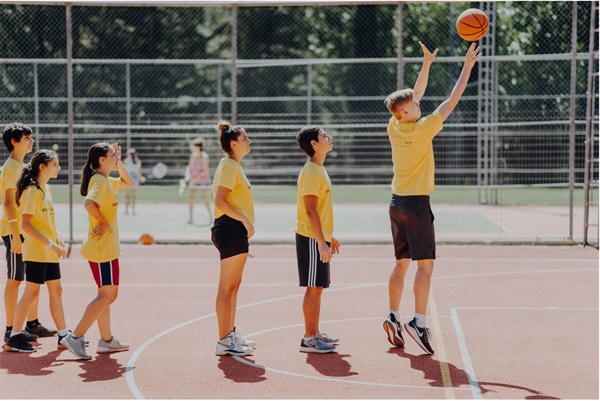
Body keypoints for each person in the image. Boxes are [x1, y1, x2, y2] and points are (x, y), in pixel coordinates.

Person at [382, 42, 481, 355]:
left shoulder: (394, 125)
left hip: (396, 204)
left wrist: (427, 64)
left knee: (400, 264)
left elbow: (414, 95)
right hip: (416, 205)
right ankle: (419, 322)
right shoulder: (424, 128)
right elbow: (453, 98)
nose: (417, 102)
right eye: (412, 103)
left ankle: (393, 316)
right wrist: (467, 65)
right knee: (425, 267)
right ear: (406, 111)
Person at [60, 142, 134, 360]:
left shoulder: (107, 180)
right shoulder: (100, 182)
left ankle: (106, 340)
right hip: (102, 249)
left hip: (105, 248)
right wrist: (104, 222)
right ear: (102, 159)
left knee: (105, 296)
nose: (116, 157)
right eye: (112, 155)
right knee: (108, 295)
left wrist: (119, 161)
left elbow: (129, 181)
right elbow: (89, 203)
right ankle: (76, 337)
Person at [4, 150, 69, 352]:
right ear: (43, 166)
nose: (59, 168)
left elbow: (45, 221)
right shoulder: (31, 191)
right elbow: (26, 225)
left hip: (49, 250)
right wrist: (52, 244)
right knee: (31, 293)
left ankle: (64, 335)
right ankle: (14, 336)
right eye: (55, 164)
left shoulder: (46, 189)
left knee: (57, 291)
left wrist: (58, 236)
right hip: (37, 250)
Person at [1, 123, 56, 346]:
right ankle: (9, 329)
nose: (31, 141)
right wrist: (15, 235)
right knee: (15, 279)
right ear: (14, 142)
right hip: (15, 231)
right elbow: (8, 202)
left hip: (22, 231)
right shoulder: (13, 168)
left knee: (33, 277)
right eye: (26, 138)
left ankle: (31, 323)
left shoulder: (20, 166)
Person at [211, 121, 256, 357]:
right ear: (233, 143)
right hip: (230, 229)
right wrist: (246, 221)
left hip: (233, 230)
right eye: (245, 138)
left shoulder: (231, 166)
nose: (249, 141)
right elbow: (220, 200)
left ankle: (230, 333)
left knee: (233, 287)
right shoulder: (229, 166)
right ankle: (223, 340)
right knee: (226, 288)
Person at [295, 126, 340, 354]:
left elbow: (319, 211)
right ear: (314, 144)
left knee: (318, 286)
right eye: (323, 136)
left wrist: (330, 237)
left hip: (318, 237)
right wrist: (321, 242)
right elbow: (310, 211)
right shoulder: (312, 172)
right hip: (311, 238)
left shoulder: (319, 169)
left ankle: (314, 331)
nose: (328, 138)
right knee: (313, 287)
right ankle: (309, 338)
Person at [183, 137, 212, 225]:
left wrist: (194, 178)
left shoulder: (204, 156)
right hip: (194, 182)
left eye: (194, 146)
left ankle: (211, 217)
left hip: (203, 181)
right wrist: (187, 174)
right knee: (191, 199)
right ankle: (191, 218)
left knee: (204, 199)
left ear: (199, 147)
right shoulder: (192, 155)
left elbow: (205, 171)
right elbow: (189, 166)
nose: (192, 148)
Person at [123, 148, 144, 215]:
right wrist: (141, 178)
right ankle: (132, 210)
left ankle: (127, 210)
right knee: (133, 196)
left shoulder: (127, 160)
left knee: (127, 195)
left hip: (128, 178)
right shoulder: (138, 161)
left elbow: (123, 171)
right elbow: (139, 173)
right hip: (134, 179)